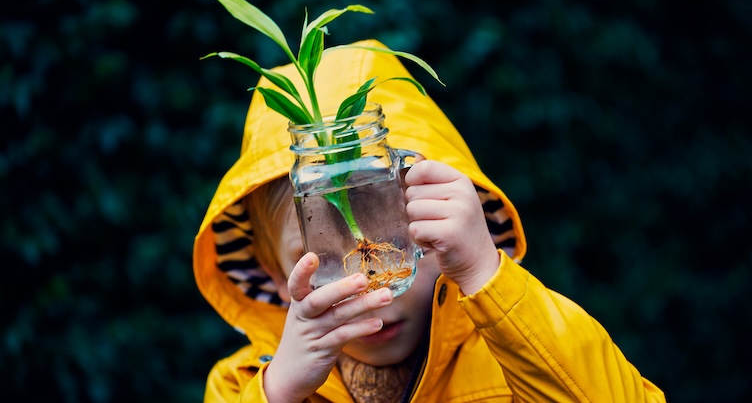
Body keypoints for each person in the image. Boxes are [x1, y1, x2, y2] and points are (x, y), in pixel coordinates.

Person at [193, 39, 666, 402]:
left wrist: (485, 272)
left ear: (447, 233)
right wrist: (277, 392)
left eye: (395, 239)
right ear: (273, 277)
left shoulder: (516, 355)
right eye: (321, 258)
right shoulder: (242, 384)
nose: (372, 285)